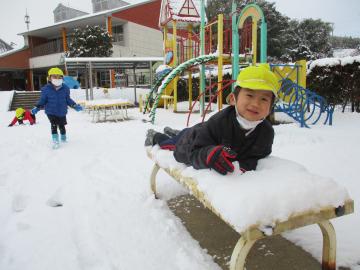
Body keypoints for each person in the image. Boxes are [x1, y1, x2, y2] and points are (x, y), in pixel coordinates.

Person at [145, 64, 280, 175]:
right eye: (250, 95)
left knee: (186, 132)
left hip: (203, 132)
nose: (256, 103)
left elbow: (256, 157)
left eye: (264, 99)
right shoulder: (220, 122)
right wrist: (209, 155)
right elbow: (193, 153)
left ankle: (176, 132)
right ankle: (156, 136)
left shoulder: (266, 133)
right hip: (194, 138)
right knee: (174, 144)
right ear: (233, 99)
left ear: (270, 107)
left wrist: (244, 167)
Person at [31, 67, 83, 147]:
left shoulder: (65, 88)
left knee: (61, 125)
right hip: (50, 111)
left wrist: (74, 105)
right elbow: (42, 100)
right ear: (49, 78)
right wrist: (37, 107)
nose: (57, 79)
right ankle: (55, 140)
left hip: (62, 111)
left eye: (59, 77)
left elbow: (68, 99)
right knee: (54, 124)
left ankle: (63, 137)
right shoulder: (46, 89)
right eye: (54, 77)